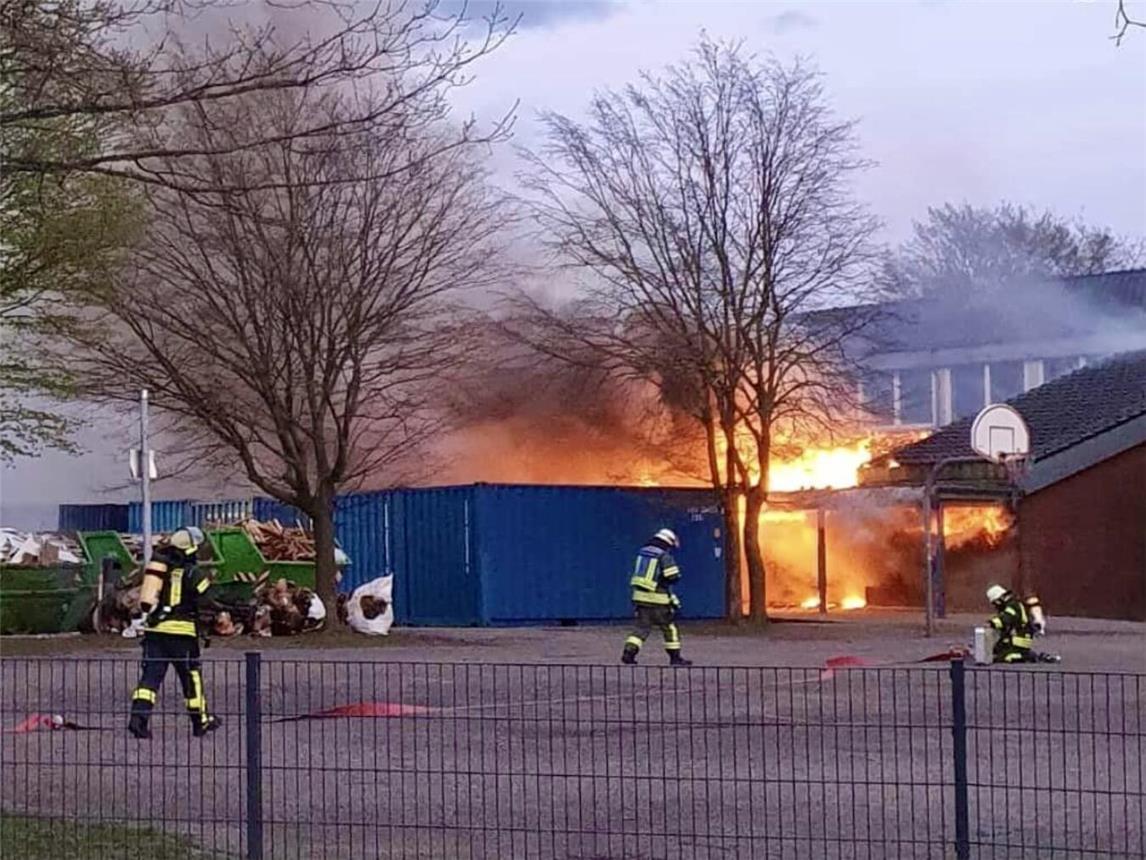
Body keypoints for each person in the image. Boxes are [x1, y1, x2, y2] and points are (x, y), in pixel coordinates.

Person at [128, 526, 221, 739]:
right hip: (181, 634)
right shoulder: (193, 573)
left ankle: (138, 720)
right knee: (191, 678)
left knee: (150, 679)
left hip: (155, 632)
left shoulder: (160, 570)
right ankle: (201, 722)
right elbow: (208, 600)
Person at [621, 528, 691, 666]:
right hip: (658, 600)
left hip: (640, 598)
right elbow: (673, 576)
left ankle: (629, 653)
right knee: (669, 628)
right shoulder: (663, 555)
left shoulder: (643, 553)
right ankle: (675, 658)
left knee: (641, 628)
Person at [985, 584, 1060, 664]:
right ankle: (1031, 656)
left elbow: (1006, 619)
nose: (996, 606)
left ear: (999, 600)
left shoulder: (1012, 606)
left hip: (1016, 644)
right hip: (1018, 643)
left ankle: (1027, 657)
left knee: (1003, 658)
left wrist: (991, 623)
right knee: (997, 651)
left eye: (995, 603)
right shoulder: (1014, 604)